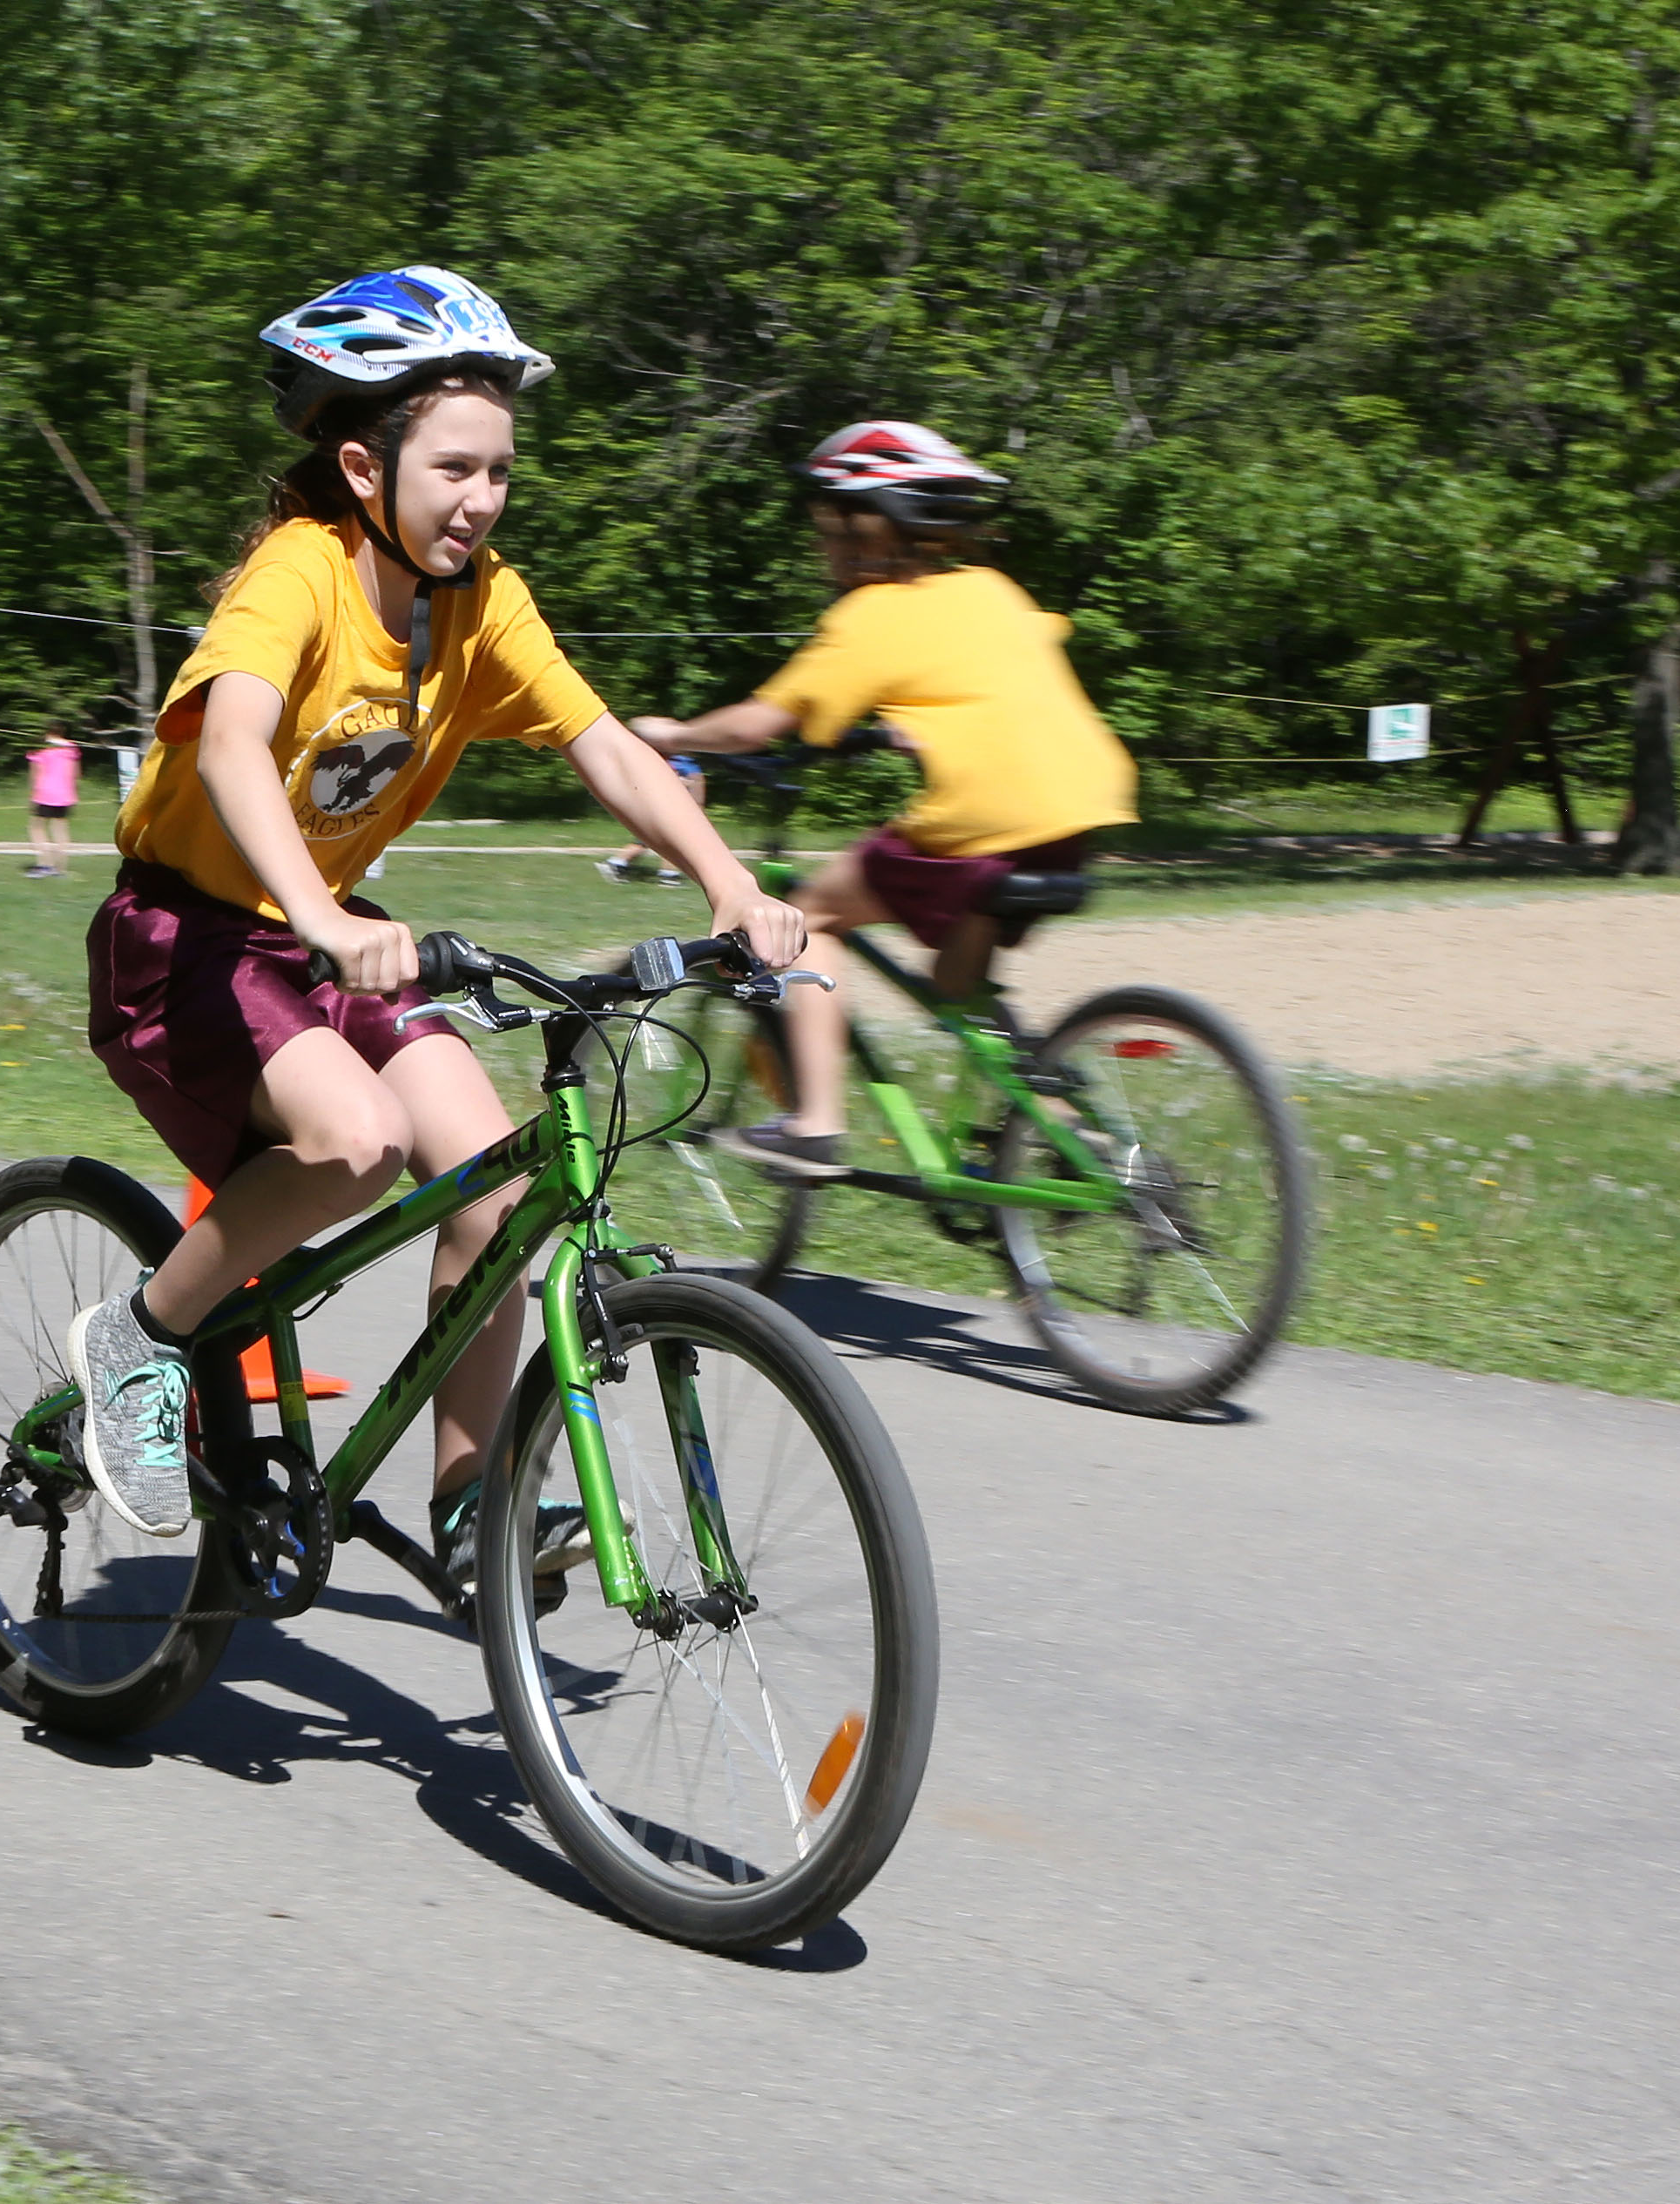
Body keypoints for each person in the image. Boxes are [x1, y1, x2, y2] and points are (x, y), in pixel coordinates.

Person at [63, 264, 797, 1584]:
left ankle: (469, 1506)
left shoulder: (480, 603)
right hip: (185, 939)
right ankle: (139, 1335)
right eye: (454, 467)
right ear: (362, 463)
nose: (481, 500)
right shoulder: (297, 574)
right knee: (355, 1142)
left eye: (500, 471)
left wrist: (727, 884)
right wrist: (319, 917)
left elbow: (605, 745)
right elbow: (231, 744)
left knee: (498, 1180)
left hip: (328, 934)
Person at [631, 420, 1138, 1174]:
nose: (824, 545)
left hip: (987, 815)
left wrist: (673, 734)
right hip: (1086, 804)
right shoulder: (992, 588)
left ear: (869, 525)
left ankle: (815, 1123)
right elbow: (984, 688)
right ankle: (1070, 1129)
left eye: (831, 527)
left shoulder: (871, 613)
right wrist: (898, 730)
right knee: (954, 984)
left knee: (808, 918)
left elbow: (764, 722)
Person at [600, 749, 703, 884]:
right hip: (671, 809)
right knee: (672, 843)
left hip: (657, 807)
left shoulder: (664, 761)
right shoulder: (688, 767)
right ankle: (668, 875)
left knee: (648, 841)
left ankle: (618, 863)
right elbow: (696, 794)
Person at [23, 722, 78, 878]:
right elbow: (75, 774)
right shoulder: (71, 749)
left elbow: (35, 775)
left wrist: (32, 795)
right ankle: (60, 869)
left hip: (45, 793)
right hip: (65, 794)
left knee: (36, 828)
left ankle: (44, 864)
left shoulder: (41, 751)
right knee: (60, 830)